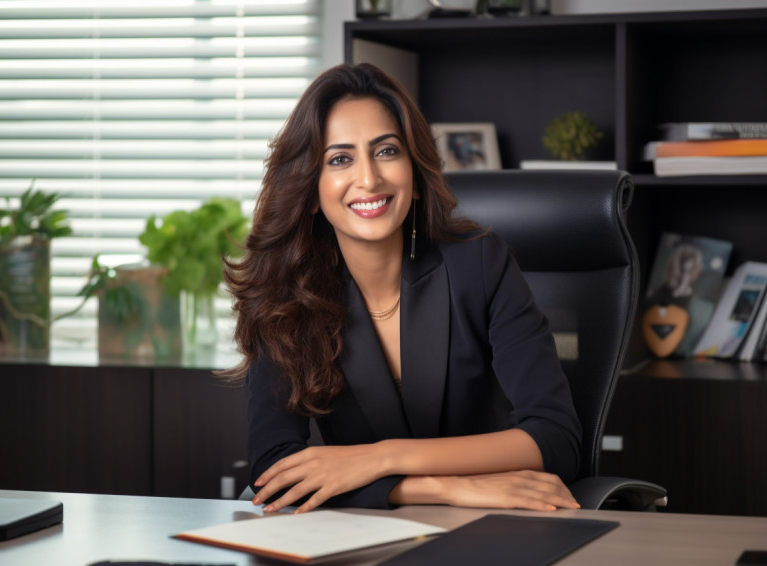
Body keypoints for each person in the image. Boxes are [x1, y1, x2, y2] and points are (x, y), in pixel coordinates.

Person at [223, 63, 582, 514]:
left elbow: (555, 436)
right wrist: (442, 489)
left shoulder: (480, 264)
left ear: (414, 174)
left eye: (387, 151)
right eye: (339, 159)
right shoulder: (282, 296)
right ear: (312, 191)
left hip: (491, 529)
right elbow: (274, 472)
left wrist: (380, 458)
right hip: (361, 537)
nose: (369, 179)